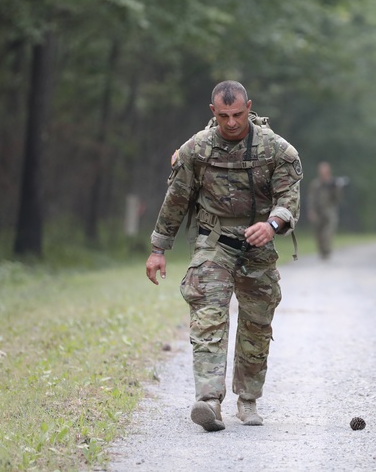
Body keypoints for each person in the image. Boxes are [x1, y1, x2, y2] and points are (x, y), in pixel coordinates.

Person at [145, 80, 302, 432]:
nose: (231, 122)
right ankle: (209, 401)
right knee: (208, 315)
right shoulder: (197, 150)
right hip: (213, 241)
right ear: (213, 112)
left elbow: (289, 199)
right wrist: (158, 249)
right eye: (224, 115)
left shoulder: (277, 150)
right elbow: (176, 200)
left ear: (249, 107)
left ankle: (248, 401)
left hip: (258, 241)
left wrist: (272, 224)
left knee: (257, 323)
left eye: (238, 114)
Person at [307, 161, 347, 260]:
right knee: (318, 233)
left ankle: (327, 251)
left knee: (328, 233)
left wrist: (337, 188)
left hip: (330, 211)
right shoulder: (316, 184)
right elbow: (311, 198)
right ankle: (322, 251)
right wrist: (311, 210)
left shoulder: (333, 184)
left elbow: (338, 199)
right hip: (318, 211)